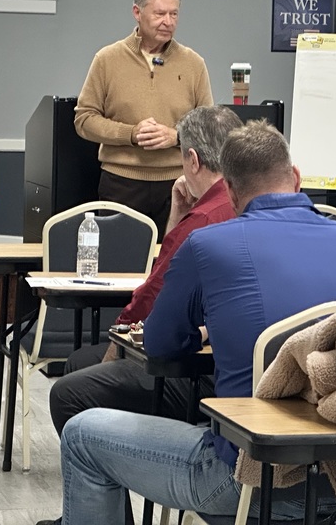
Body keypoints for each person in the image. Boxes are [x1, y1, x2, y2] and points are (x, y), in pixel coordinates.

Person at [41, 121, 336, 525]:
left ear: (229, 191)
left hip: (248, 479)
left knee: (83, 435)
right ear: (296, 177)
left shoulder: (208, 246)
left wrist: (205, 331)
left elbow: (159, 345)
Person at [48, 105, 242, 435]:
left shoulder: (202, 221)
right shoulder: (240, 203)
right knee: (82, 364)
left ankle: (112, 463)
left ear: (192, 160)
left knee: (70, 389)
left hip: (200, 373)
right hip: (234, 362)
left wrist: (115, 350)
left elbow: (155, 292)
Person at [74, 0, 213, 237]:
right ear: (137, 13)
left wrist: (177, 137)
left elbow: (209, 127)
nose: (168, 21)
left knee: (172, 265)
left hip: (179, 185)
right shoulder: (107, 59)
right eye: (160, 14)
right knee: (118, 264)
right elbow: (84, 119)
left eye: (174, 14)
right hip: (120, 184)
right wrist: (131, 133)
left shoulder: (194, 63)